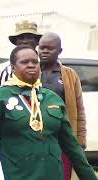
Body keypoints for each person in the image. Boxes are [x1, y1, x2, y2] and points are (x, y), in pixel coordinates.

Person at [0, 45, 97, 180]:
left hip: (51, 173)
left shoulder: (52, 99)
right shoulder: (1, 97)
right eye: (24, 62)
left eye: (35, 62)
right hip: (16, 174)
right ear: (13, 67)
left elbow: (72, 146)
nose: (31, 65)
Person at [38, 32, 87, 180]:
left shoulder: (70, 75)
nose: (44, 51)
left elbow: (79, 110)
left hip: (62, 137)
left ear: (60, 51)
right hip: (37, 136)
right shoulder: (31, 72)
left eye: (50, 48)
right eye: (41, 48)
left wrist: (81, 139)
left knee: (62, 174)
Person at [0, 20, 42, 86]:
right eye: (21, 38)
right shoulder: (7, 72)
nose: (25, 41)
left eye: (29, 37)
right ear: (16, 42)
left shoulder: (47, 68)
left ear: (37, 41)